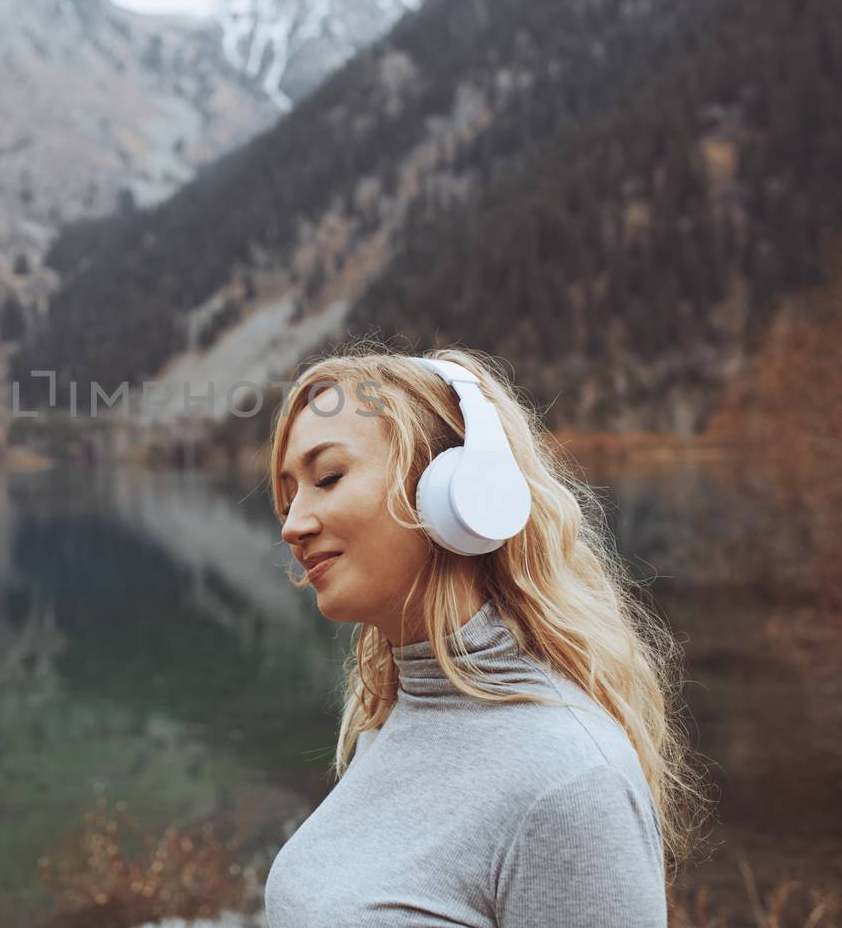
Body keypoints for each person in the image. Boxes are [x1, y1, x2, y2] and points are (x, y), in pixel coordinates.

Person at [262, 345, 709, 927]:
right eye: (290, 492)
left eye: (328, 477)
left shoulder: (571, 779)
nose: (293, 524)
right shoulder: (390, 718)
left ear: (456, 491)